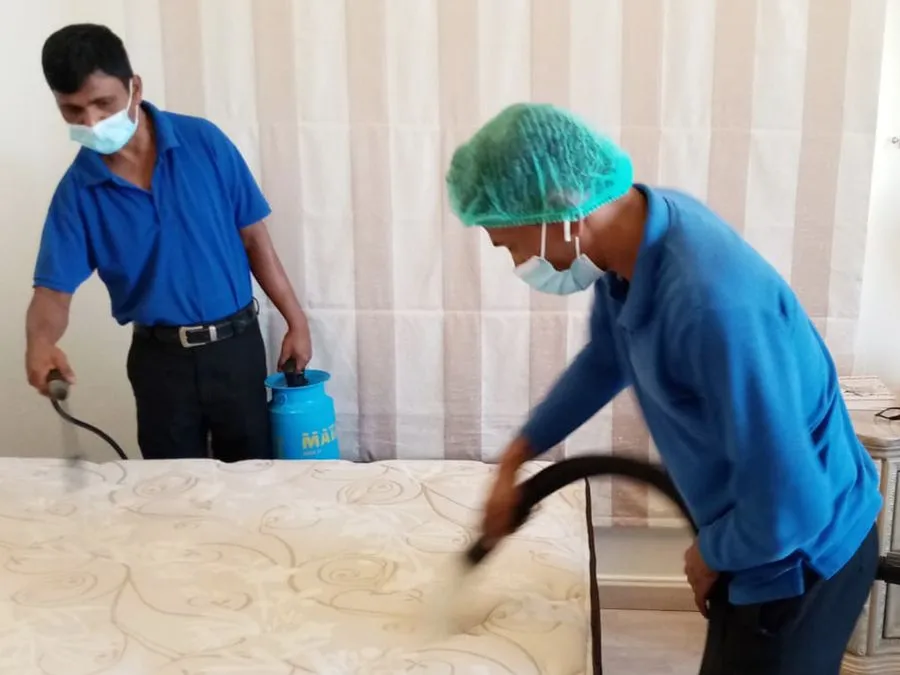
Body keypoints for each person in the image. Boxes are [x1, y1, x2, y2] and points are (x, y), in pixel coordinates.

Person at [445, 102, 882, 674]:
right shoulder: (635, 241)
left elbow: (791, 509)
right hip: (757, 530)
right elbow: (607, 358)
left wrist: (711, 553)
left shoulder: (710, 305)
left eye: (512, 243)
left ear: (564, 213)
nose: (515, 260)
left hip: (799, 557)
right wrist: (516, 458)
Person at [25, 24, 312, 462]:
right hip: (160, 364)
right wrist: (40, 343)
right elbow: (51, 293)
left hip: (237, 348)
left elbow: (255, 239)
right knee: (170, 495)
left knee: (257, 481)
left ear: (134, 87)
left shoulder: (204, 142)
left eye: (104, 104)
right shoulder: (78, 193)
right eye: (73, 111)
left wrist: (297, 321)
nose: (91, 122)